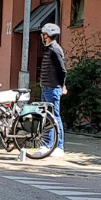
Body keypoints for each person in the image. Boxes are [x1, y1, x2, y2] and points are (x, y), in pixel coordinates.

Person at [39, 23, 67, 158]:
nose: (42, 36)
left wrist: (62, 85)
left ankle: (58, 147)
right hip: (46, 87)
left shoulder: (55, 50)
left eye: (43, 34)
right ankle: (48, 145)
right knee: (48, 117)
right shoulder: (49, 49)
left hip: (52, 88)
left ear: (47, 35)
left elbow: (62, 70)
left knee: (55, 117)